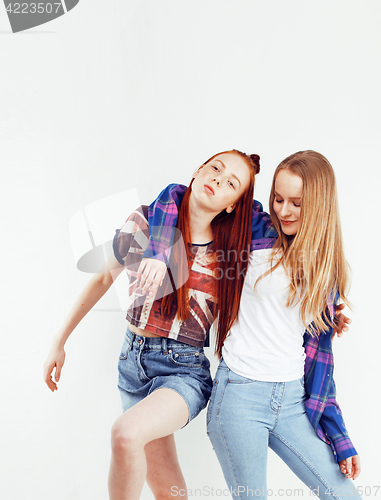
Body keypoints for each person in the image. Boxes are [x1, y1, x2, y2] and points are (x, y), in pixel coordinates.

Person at [43, 149, 259, 500]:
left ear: (233, 204)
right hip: (132, 364)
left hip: (183, 371)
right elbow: (102, 280)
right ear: (198, 170)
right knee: (169, 493)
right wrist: (59, 339)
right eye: (215, 168)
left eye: (231, 182)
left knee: (125, 434)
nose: (218, 179)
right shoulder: (143, 223)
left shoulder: (229, 255)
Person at [145, 150, 361, 499]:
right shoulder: (255, 230)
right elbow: (177, 195)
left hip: (291, 402)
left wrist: (340, 437)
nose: (283, 211)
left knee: (346, 496)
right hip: (240, 397)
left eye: (297, 203)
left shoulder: (328, 270)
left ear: (319, 206)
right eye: (278, 199)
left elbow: (321, 363)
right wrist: (157, 251)